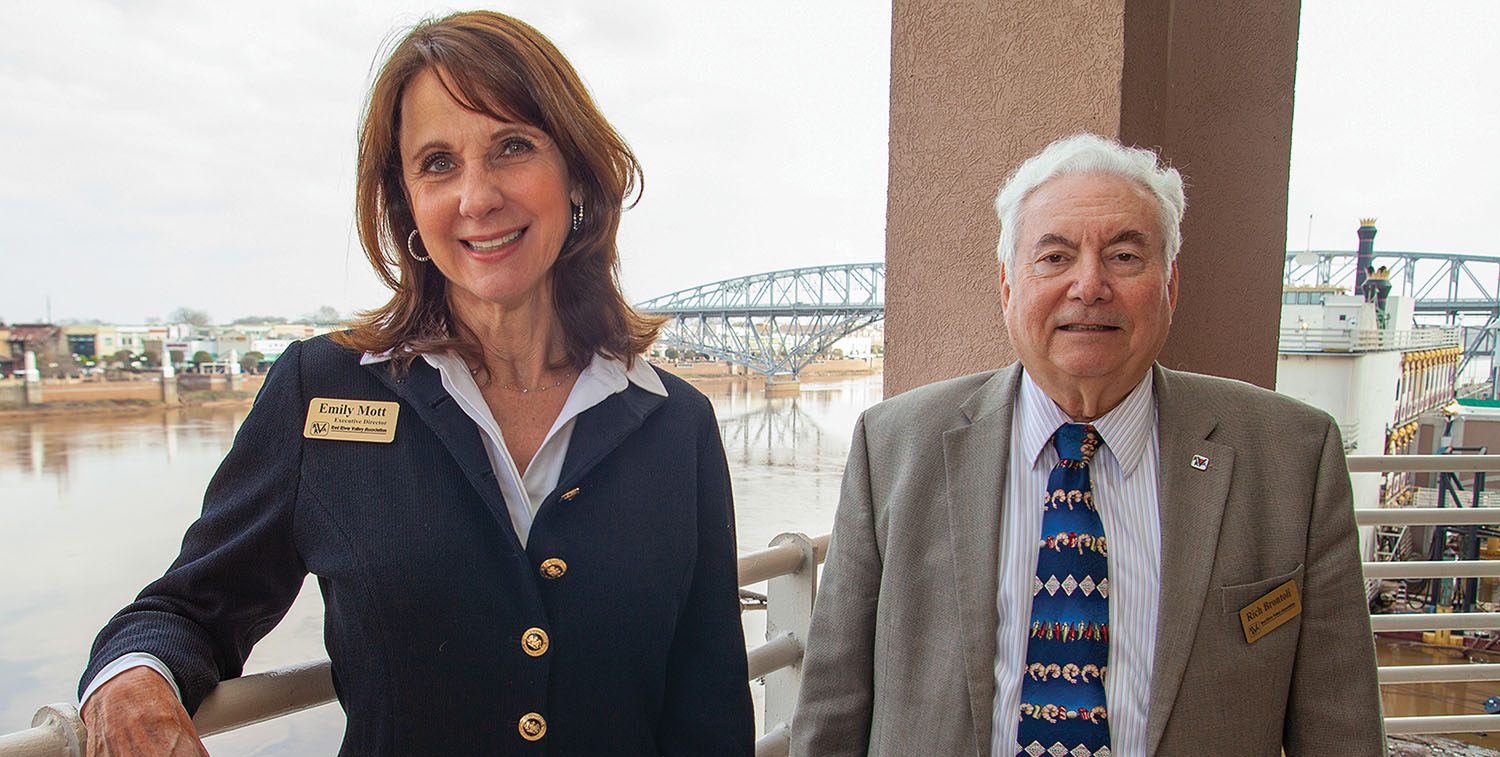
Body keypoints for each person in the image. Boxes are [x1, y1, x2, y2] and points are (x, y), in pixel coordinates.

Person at [78, 11, 753, 756]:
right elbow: (187, 607)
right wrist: (130, 680)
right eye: (438, 163)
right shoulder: (321, 391)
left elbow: (709, 708)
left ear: (578, 176)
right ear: (405, 204)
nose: (476, 196)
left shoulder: (675, 423)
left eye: (513, 147)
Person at [791, 134, 1384, 756]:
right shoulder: (892, 448)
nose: (1089, 285)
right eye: (1054, 257)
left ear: (1170, 285)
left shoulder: (1291, 457)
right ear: (1007, 287)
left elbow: (1339, 728)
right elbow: (833, 712)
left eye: (1125, 257)